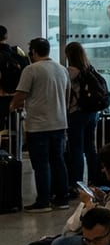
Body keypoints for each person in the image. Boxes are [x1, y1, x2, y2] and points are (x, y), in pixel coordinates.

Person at [10, 37, 71, 211]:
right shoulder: (62, 69)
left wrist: (12, 105)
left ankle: (43, 201)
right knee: (58, 161)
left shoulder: (31, 70)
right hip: (60, 123)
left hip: (38, 125)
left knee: (41, 164)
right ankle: (62, 199)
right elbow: (67, 97)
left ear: (34, 52)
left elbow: (21, 95)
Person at [64, 42, 102, 187]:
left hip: (76, 113)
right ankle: (95, 179)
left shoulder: (70, 72)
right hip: (92, 113)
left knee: (76, 149)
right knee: (90, 147)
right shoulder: (90, 69)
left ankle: (77, 182)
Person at [0, 24, 30, 129]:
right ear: (6, 36)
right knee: (14, 127)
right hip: (17, 97)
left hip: (1, 96)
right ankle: (14, 144)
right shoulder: (18, 52)